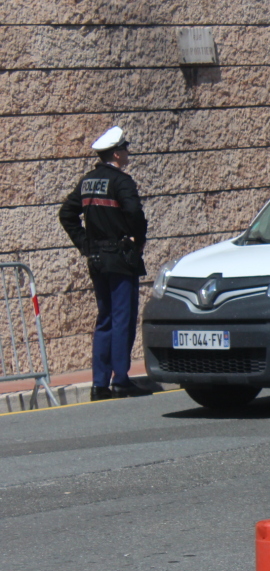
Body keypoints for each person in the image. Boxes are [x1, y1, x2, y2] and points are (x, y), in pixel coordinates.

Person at [58, 126, 150, 400]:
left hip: (97, 258)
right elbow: (134, 212)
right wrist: (138, 240)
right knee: (123, 318)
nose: (127, 153)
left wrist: (86, 245)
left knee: (105, 319)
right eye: (125, 149)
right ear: (117, 153)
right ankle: (121, 379)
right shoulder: (122, 181)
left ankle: (99, 384)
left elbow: (66, 214)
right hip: (121, 257)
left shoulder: (87, 181)